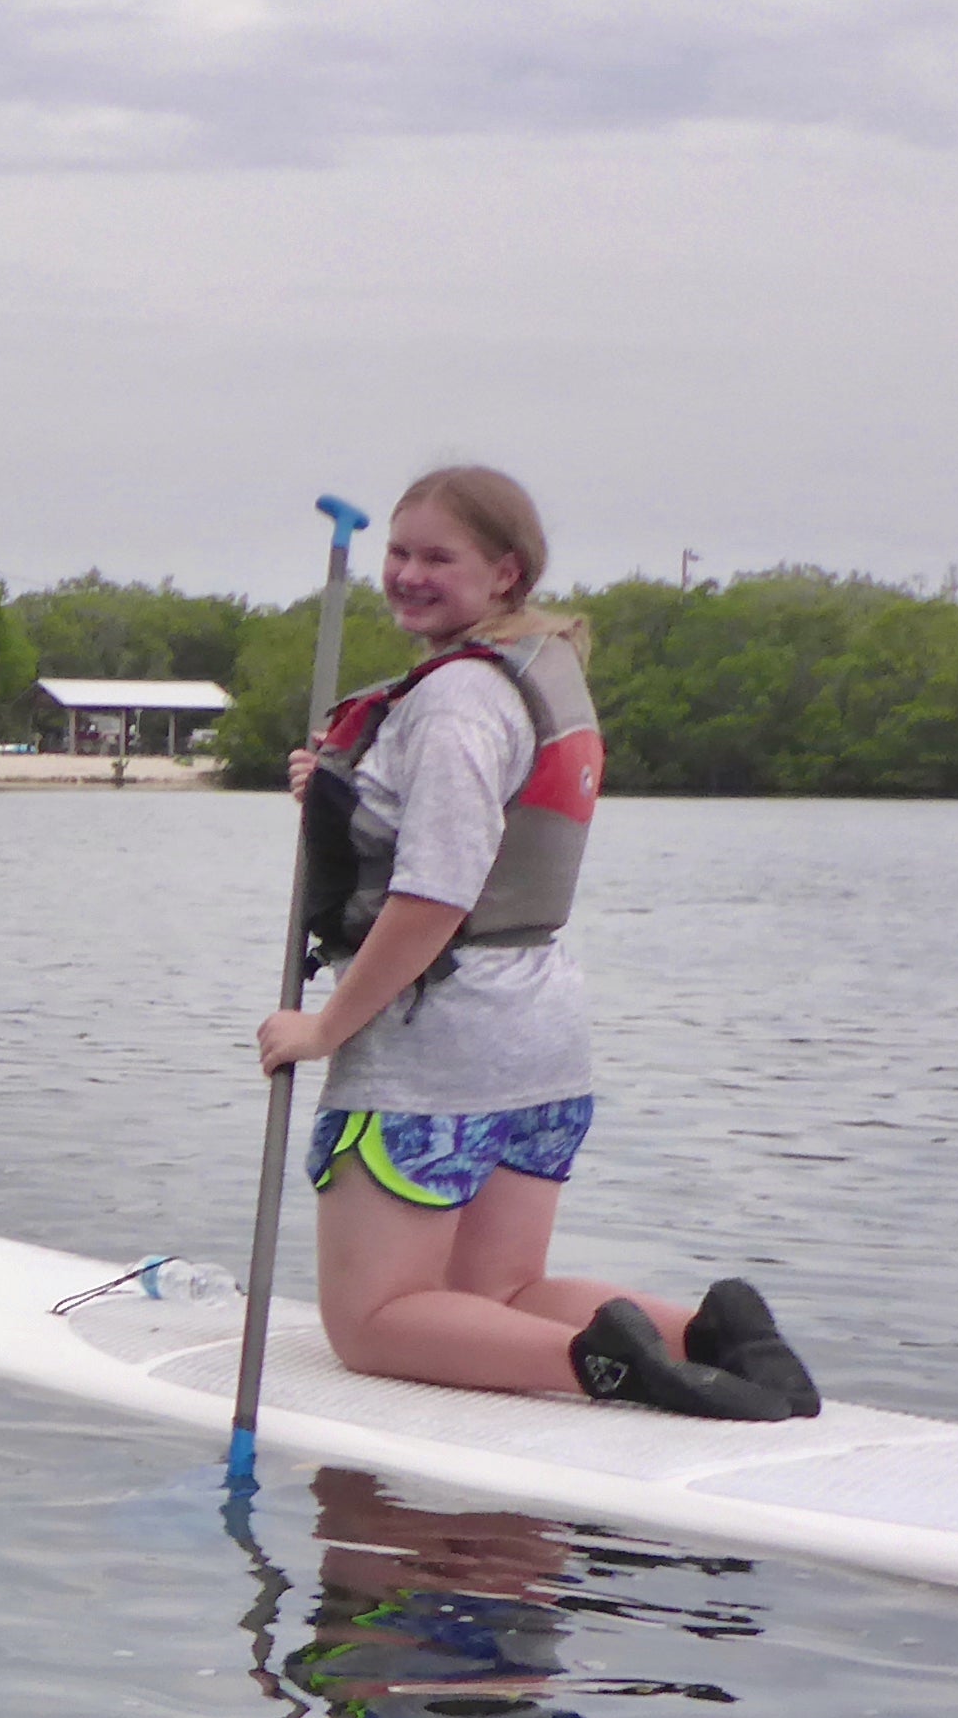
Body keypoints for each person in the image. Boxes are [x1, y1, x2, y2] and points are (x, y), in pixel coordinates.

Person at [251, 467, 818, 1420]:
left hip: (439, 1040)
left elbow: (434, 894)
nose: (407, 574)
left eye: (440, 557)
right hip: (543, 1031)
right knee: (493, 1298)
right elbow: (466, 826)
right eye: (399, 551)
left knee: (373, 1321)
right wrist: (346, 791)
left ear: (506, 574)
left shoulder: (456, 700)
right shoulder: (536, 668)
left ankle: (608, 1366)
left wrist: (324, 1030)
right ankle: (709, 1336)